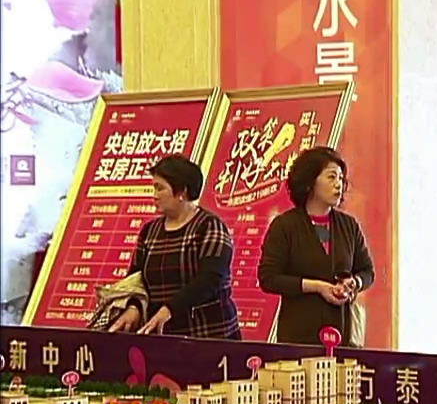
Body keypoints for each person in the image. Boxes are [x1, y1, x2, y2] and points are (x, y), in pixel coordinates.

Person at [109, 155, 241, 340]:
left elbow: (211, 279)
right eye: (153, 188)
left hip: (209, 335)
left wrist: (170, 309)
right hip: (162, 336)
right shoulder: (149, 231)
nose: (154, 195)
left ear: (182, 192)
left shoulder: (209, 226)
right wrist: (134, 307)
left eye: (160, 188)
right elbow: (136, 278)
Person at [258, 146, 374, 345]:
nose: (338, 184)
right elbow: (268, 278)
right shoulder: (285, 226)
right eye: (331, 177)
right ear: (310, 182)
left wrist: (354, 282)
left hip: (342, 335)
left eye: (341, 179)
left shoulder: (349, 225)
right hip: (299, 337)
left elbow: (367, 271)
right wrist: (317, 287)